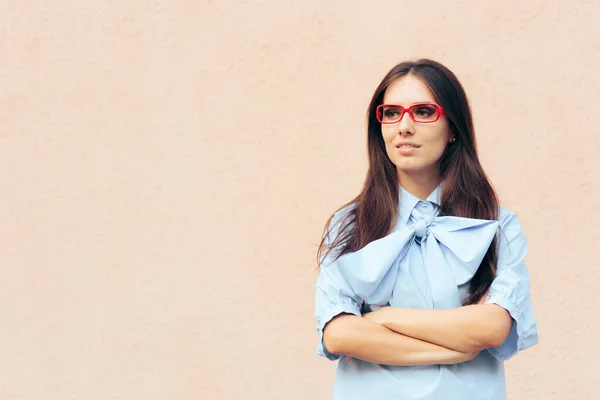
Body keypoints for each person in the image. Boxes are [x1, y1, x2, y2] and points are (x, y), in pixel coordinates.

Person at [314, 59, 539, 400]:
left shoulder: (497, 225)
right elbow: (339, 336)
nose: (404, 126)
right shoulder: (348, 224)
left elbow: (493, 327)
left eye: (423, 111)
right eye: (391, 113)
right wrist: (453, 349)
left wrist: (385, 318)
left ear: (453, 128)